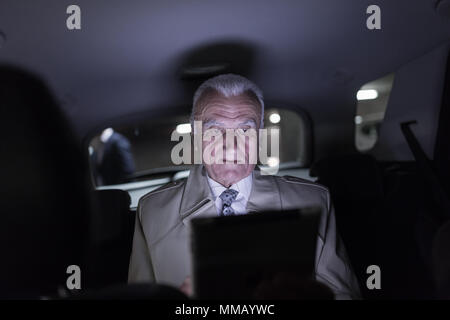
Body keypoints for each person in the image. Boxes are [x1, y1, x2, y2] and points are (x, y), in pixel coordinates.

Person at [128, 74, 361, 299]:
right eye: (214, 130)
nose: (231, 146)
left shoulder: (313, 201)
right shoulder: (152, 211)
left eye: (245, 130)